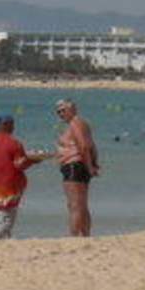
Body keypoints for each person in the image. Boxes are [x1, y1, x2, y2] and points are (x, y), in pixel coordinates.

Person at [0, 115, 48, 240]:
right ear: (6, 125)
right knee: (7, 220)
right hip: (9, 188)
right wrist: (34, 160)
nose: (13, 128)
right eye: (12, 125)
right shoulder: (13, 143)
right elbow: (20, 164)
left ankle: (3, 241)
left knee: (1, 217)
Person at [55, 98, 101, 237]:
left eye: (63, 110)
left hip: (74, 165)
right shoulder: (82, 123)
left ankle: (74, 237)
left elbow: (84, 146)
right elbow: (92, 145)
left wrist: (90, 166)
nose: (61, 114)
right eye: (58, 112)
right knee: (81, 205)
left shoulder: (75, 123)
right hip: (79, 165)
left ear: (73, 109)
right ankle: (85, 235)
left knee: (74, 205)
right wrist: (93, 163)